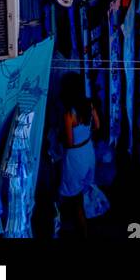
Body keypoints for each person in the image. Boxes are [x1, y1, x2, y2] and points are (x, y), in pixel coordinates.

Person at [59, 73, 100, 236]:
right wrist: (85, 133)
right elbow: (97, 125)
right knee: (84, 191)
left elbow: (69, 142)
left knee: (75, 199)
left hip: (75, 157)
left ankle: (81, 231)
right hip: (88, 151)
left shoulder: (69, 113)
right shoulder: (89, 104)